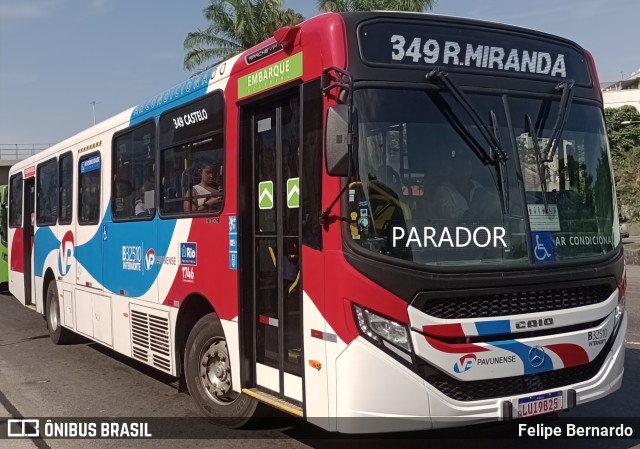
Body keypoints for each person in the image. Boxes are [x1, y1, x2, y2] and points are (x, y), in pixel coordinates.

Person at [433, 152, 483, 220]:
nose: (465, 174)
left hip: (482, 227)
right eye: (461, 170)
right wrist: (466, 214)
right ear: (452, 170)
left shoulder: (478, 186)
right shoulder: (442, 191)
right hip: (453, 230)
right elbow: (447, 212)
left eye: (468, 170)